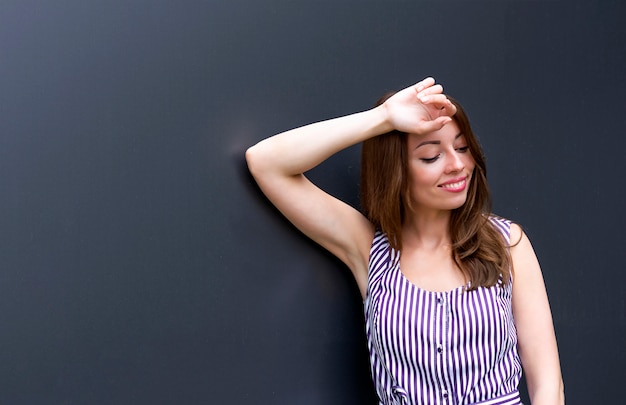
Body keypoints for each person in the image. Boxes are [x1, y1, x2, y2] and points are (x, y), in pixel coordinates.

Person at [245, 77, 564, 405]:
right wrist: (383, 118)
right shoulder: (370, 251)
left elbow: (548, 384)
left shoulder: (508, 244)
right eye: (431, 157)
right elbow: (266, 162)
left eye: (463, 147)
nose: (457, 165)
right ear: (395, 171)